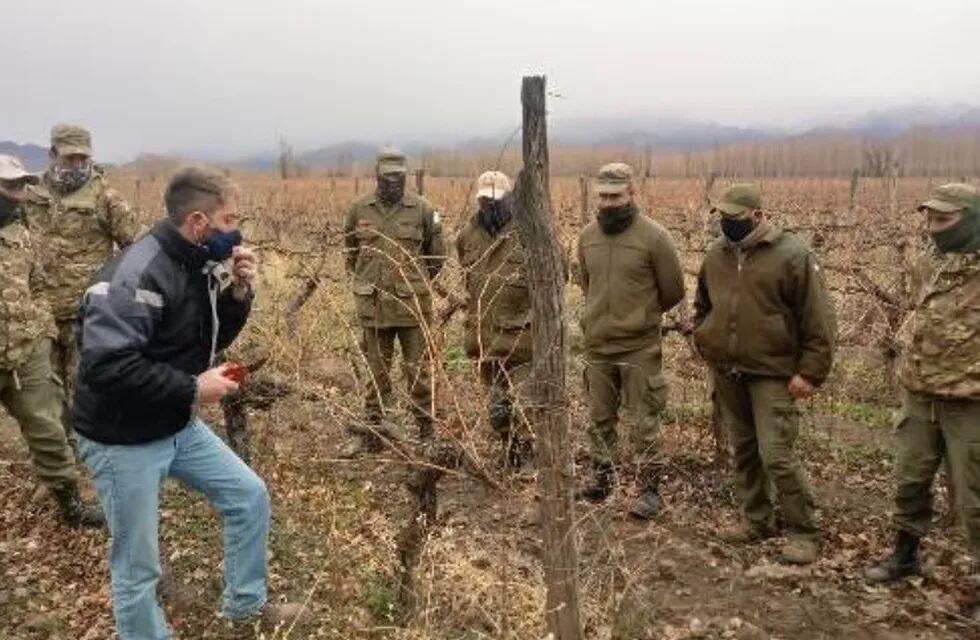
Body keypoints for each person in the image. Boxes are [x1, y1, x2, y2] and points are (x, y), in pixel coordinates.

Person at [73, 166, 298, 638]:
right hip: (122, 438)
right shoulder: (134, 276)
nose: (236, 231)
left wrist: (238, 293)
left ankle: (245, 604)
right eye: (229, 220)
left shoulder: (191, 262)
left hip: (173, 423)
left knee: (248, 495)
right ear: (199, 222)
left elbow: (203, 340)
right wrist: (195, 389)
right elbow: (107, 369)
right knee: (138, 567)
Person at [693, 183, 836, 565]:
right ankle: (757, 520)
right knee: (743, 450)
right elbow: (702, 304)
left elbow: (818, 318)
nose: (726, 224)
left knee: (776, 453)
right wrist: (705, 339)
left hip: (774, 372)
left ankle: (804, 531)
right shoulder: (716, 255)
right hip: (727, 368)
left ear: (757, 215)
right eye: (722, 217)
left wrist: (811, 372)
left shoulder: (792, 254)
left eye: (734, 218)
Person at [865, 184, 980, 610]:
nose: (934, 228)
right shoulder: (928, 263)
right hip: (920, 394)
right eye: (929, 219)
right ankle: (905, 554)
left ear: (970, 219)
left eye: (944, 220)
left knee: (974, 495)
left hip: (970, 402)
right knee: (909, 480)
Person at [576, 162, 685, 519]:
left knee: (643, 421)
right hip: (598, 347)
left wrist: (639, 317)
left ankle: (650, 489)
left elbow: (672, 291)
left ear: (631, 193)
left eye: (615, 196)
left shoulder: (655, 237)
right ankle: (602, 479)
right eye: (603, 197)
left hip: (639, 346)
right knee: (600, 418)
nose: (608, 203)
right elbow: (586, 286)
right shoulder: (586, 237)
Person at [0, 154, 103, 527]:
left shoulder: (19, 234)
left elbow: (38, 284)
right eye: (11, 186)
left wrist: (40, 329)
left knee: (48, 428)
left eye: (24, 185)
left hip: (27, 352)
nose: (21, 193)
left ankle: (70, 505)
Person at [21, 124, 139, 448]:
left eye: (83, 158)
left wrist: (114, 292)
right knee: (44, 392)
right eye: (69, 158)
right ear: (52, 155)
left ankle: (91, 454)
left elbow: (136, 250)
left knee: (84, 387)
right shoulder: (29, 194)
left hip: (86, 315)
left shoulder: (106, 197)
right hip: (39, 313)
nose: (77, 165)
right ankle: (60, 458)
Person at [341, 147, 446, 457]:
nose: (393, 183)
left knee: (418, 372)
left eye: (399, 177)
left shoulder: (423, 209)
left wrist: (411, 282)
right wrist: (368, 280)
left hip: (412, 307)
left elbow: (436, 256)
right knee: (376, 371)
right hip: (373, 306)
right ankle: (372, 430)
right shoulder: (359, 209)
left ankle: (426, 431)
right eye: (387, 177)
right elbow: (351, 253)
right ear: (377, 175)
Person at [455, 170, 534, 468]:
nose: (490, 206)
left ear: (510, 198)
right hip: (484, 337)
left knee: (526, 401)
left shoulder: (528, 232)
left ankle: (530, 455)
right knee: (498, 407)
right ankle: (509, 447)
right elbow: (467, 276)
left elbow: (555, 275)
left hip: (522, 338)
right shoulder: (467, 235)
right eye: (485, 200)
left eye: (496, 200)